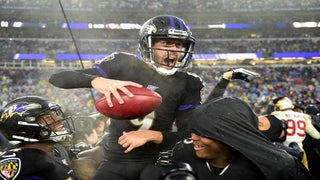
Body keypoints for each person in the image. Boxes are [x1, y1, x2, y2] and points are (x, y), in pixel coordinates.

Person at [49, 15, 204, 180]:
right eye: (166, 43)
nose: (174, 50)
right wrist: (96, 80)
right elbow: (57, 78)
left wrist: (154, 135)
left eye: (179, 45)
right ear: (147, 44)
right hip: (114, 159)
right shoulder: (124, 63)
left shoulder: (189, 83)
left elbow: (191, 136)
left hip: (156, 161)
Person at [141, 97, 314, 180]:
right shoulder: (183, 153)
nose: (193, 137)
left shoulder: (278, 167)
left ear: (230, 134)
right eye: (193, 130)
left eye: (202, 132)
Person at [0, 96, 77, 180]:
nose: (59, 118)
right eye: (48, 117)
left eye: (54, 114)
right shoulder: (19, 162)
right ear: (25, 129)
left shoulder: (58, 149)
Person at [272, 96, 320, 169]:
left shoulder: (276, 115)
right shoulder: (304, 116)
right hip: (300, 151)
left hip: (281, 151)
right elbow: (316, 135)